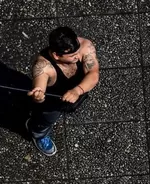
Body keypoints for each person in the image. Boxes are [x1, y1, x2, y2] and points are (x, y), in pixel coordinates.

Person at [26, 26, 100, 156]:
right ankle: (37, 133)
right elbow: (39, 85)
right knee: (45, 121)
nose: (78, 57)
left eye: (77, 52)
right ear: (56, 55)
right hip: (52, 104)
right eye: (72, 55)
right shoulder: (43, 67)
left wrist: (77, 91)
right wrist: (38, 96)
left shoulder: (85, 46)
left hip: (76, 94)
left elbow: (93, 74)